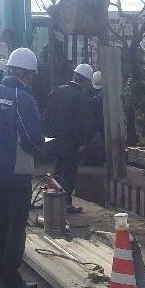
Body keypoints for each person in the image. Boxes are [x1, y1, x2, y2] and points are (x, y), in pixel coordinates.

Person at [0, 48, 48, 288]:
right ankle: (11, 279)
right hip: (16, 172)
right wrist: (45, 149)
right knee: (16, 226)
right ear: (29, 73)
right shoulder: (23, 99)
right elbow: (31, 138)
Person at [43, 63, 94, 213]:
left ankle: (56, 202)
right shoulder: (81, 97)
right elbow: (82, 123)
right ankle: (65, 204)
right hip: (70, 143)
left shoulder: (57, 91)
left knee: (58, 170)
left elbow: (47, 115)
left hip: (54, 140)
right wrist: (82, 142)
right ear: (86, 81)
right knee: (69, 173)